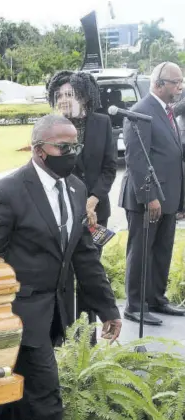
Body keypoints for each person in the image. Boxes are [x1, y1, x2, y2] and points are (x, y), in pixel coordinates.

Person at [0, 114, 122, 420]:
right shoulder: (6, 192)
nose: (72, 154)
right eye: (64, 147)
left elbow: (82, 254)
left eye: (76, 146)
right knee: (45, 398)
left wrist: (107, 307)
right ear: (39, 150)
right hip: (18, 314)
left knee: (19, 390)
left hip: (52, 310)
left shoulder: (75, 188)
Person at [47, 70, 118, 342]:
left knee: (89, 272)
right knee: (64, 274)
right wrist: (78, 200)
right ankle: (62, 336)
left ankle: (86, 339)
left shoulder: (102, 123)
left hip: (96, 211)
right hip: (63, 210)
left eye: (70, 94)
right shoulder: (52, 126)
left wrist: (92, 199)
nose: (64, 99)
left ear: (85, 97)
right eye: (60, 95)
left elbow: (110, 168)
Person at [120, 62, 185, 326]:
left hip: (168, 198)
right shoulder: (139, 112)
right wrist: (150, 197)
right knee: (141, 251)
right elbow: (137, 158)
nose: (180, 88)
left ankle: (156, 298)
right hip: (146, 199)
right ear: (158, 83)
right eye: (176, 82)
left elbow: (172, 156)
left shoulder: (167, 112)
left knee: (162, 251)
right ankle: (135, 305)